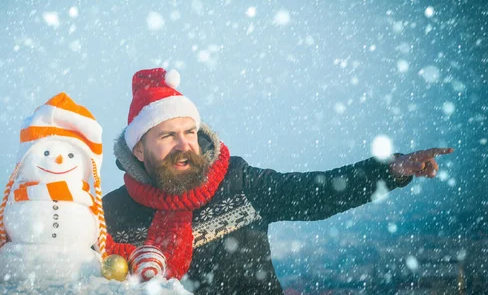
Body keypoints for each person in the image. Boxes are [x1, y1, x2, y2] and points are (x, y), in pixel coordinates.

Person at [102, 68, 454, 295]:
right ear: (139, 150)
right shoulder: (112, 215)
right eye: (167, 137)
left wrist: (390, 170)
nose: (184, 146)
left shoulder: (238, 182)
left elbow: (317, 192)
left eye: (189, 132)